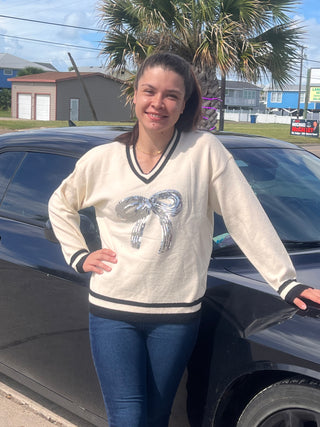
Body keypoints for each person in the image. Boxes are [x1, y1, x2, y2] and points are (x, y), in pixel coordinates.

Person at [48, 52, 320, 427]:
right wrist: (79, 254)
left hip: (176, 316)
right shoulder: (101, 160)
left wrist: (285, 281)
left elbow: (245, 218)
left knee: (159, 416)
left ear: (184, 104)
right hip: (113, 312)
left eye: (171, 95)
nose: (157, 103)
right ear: (135, 97)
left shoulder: (204, 152)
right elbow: (60, 203)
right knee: (127, 418)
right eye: (149, 91)